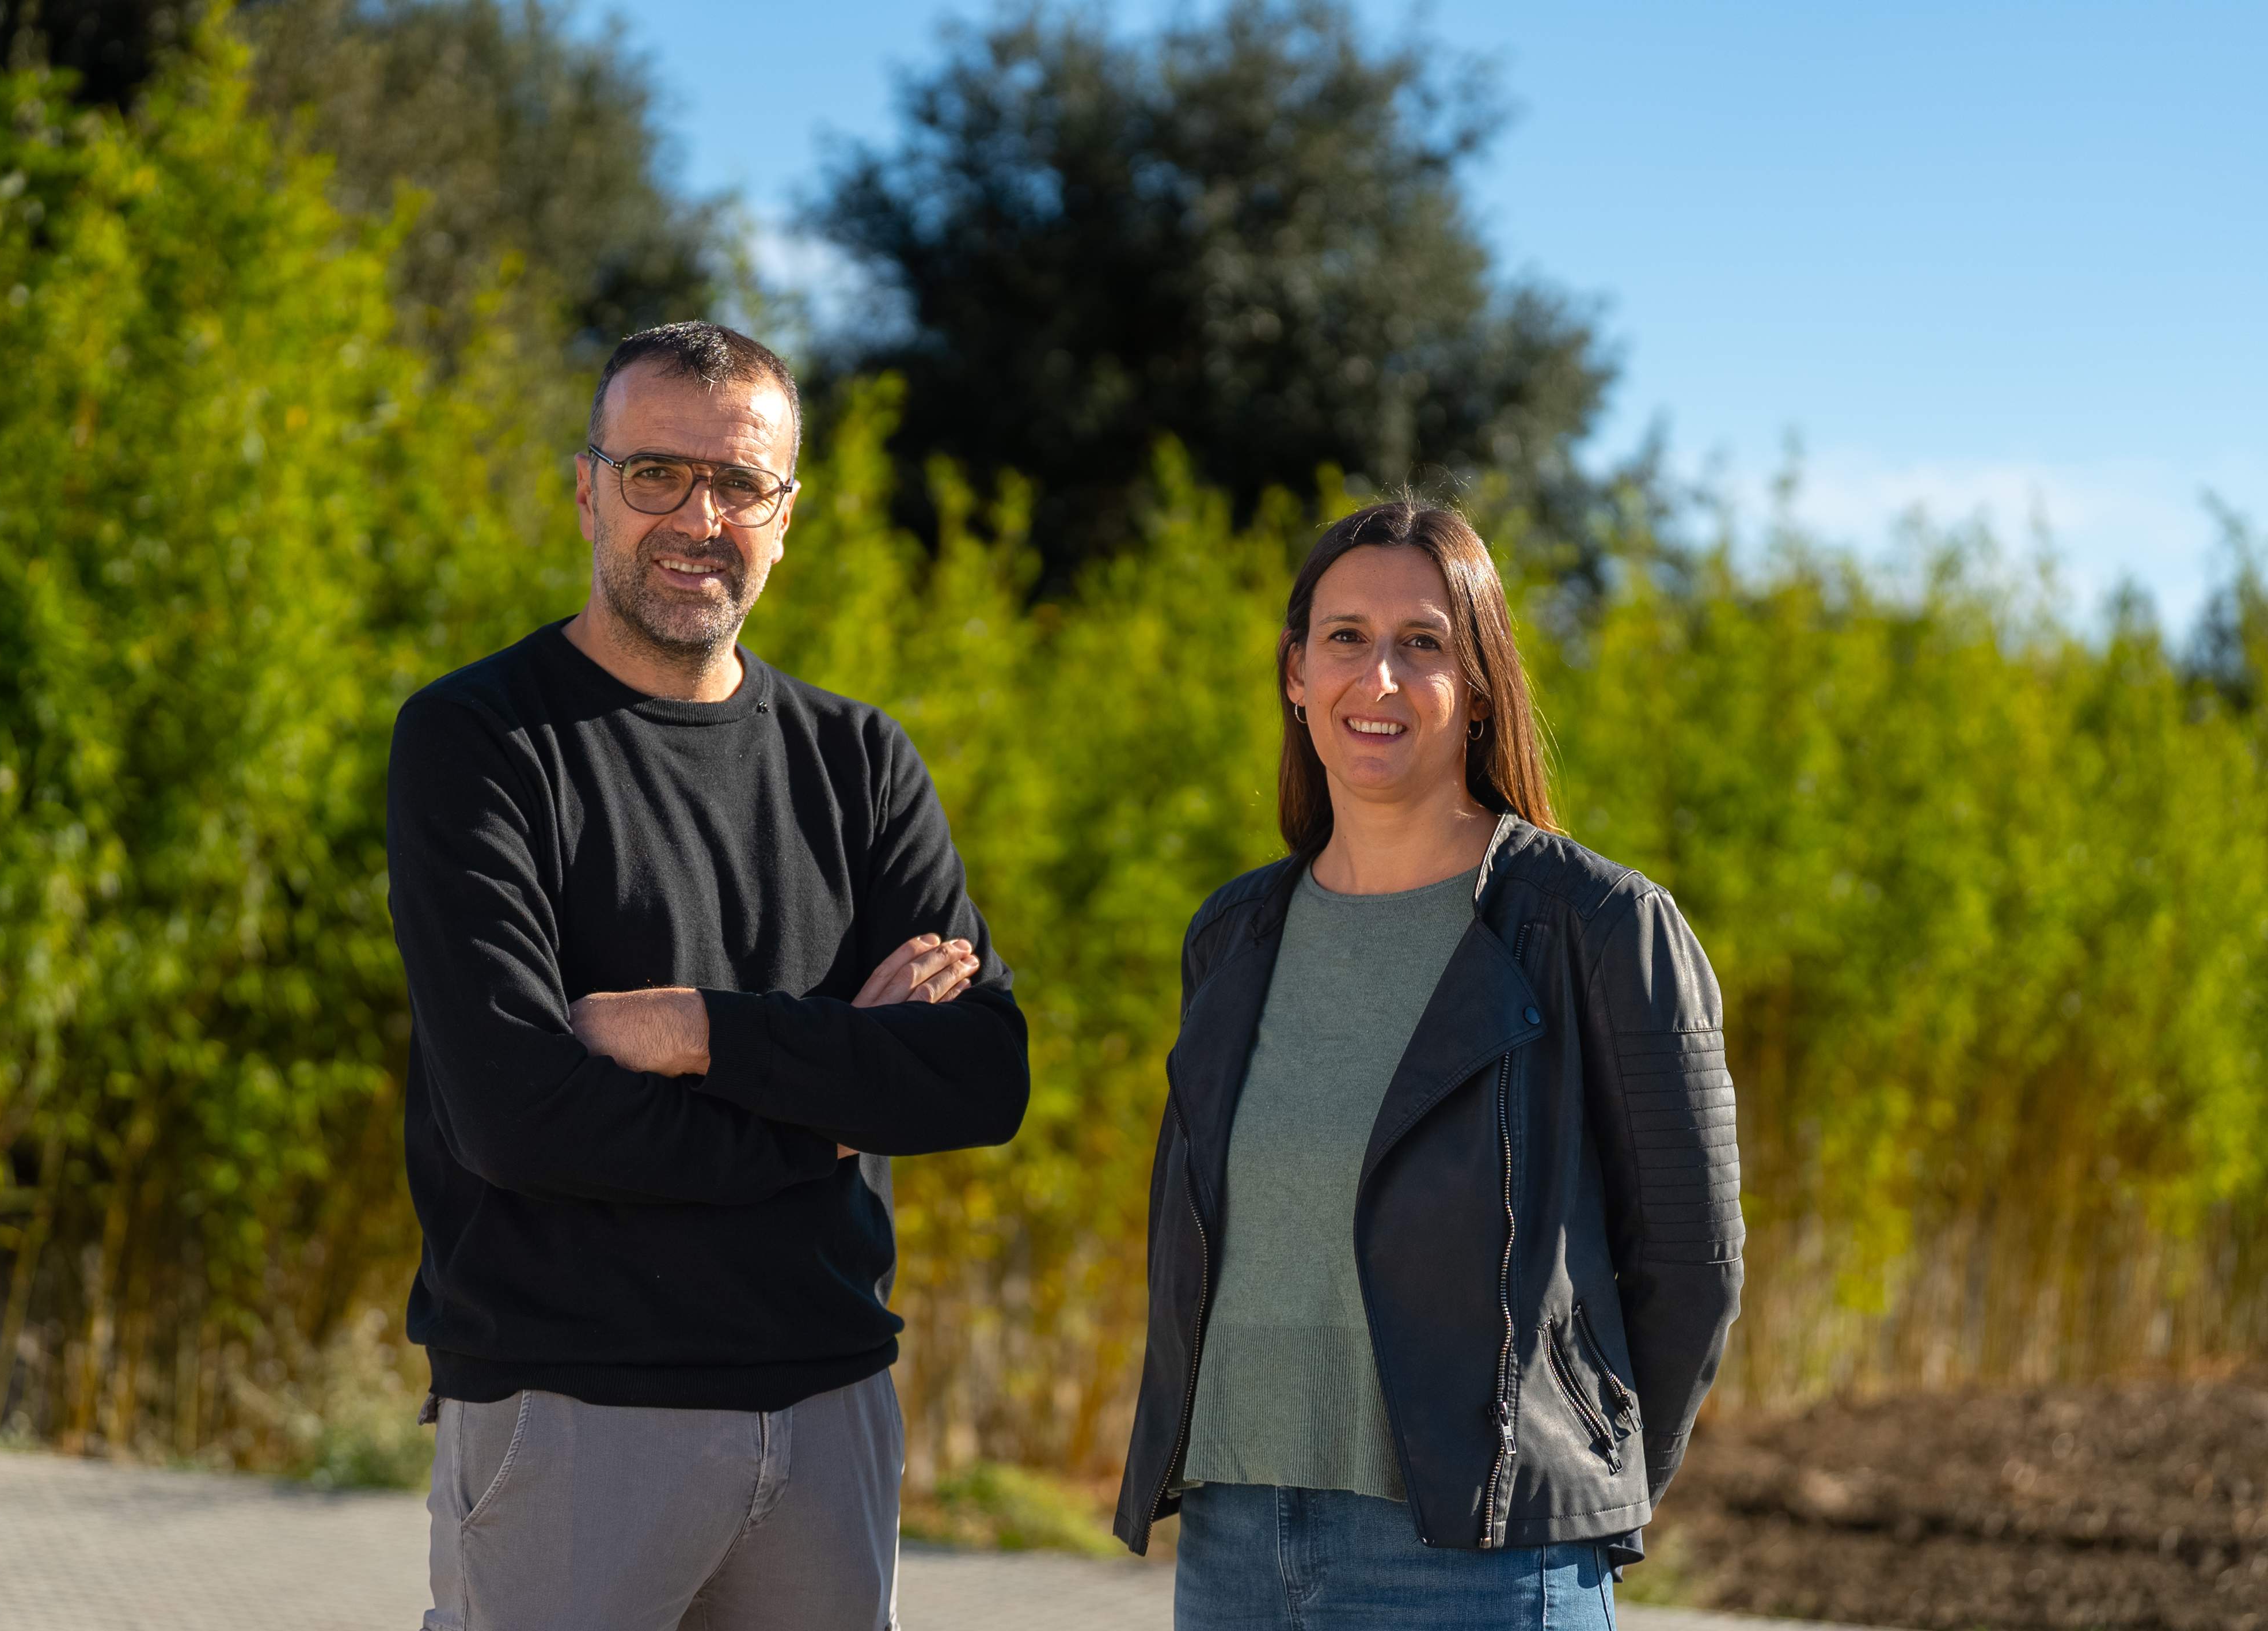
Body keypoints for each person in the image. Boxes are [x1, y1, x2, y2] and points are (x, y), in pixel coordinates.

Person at [386, 321, 1028, 1631]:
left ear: (786, 518)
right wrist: (834, 1110)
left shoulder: (859, 762)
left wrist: (695, 1030)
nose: (699, 517)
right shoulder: (480, 742)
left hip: (831, 1410)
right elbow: (516, 1116)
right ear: (585, 491)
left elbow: (977, 1075)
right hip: (573, 1412)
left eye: (740, 485)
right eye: (655, 476)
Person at [1114, 500, 1743, 1628]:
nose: (1381, 679)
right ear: (1294, 672)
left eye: (1425, 644)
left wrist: (1581, 1485)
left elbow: (1689, 1260)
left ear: (1482, 683)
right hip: (1233, 1546)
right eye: (1345, 638)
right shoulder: (1233, 935)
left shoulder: (1597, 929)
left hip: (1482, 1561)